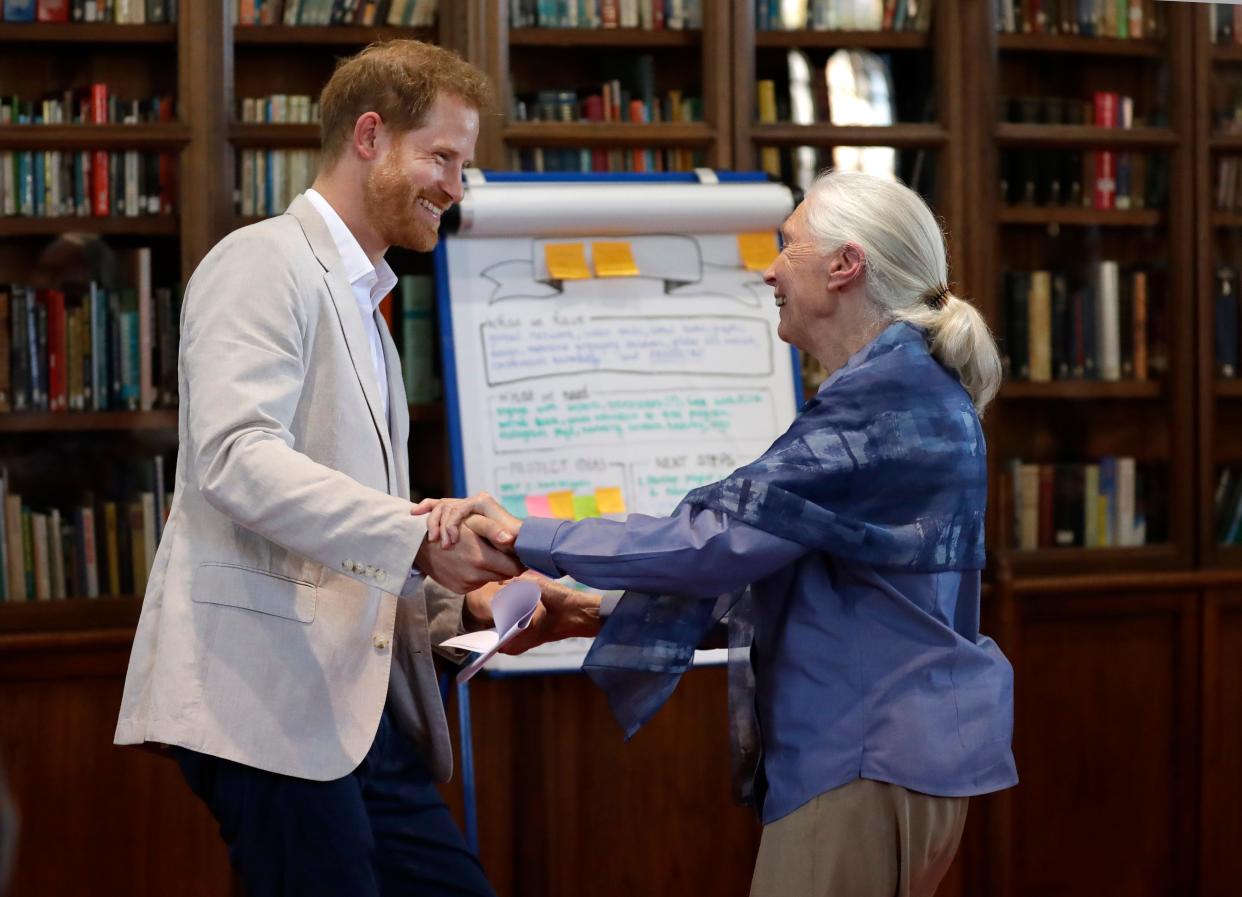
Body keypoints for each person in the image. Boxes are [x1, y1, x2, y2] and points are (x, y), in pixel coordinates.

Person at [417, 170, 1018, 897]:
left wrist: (524, 533)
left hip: (863, 755)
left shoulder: (884, 403)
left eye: (787, 244)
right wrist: (585, 611)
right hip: (894, 751)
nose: (767, 267)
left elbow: (712, 541)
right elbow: (789, 581)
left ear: (845, 265)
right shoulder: (907, 389)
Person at [113, 40, 527, 897]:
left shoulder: (363, 296)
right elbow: (235, 458)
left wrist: (464, 598)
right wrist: (419, 539)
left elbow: (340, 513)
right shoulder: (261, 261)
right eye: (443, 157)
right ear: (370, 135)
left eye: (463, 164)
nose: (456, 186)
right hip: (267, 703)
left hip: (353, 708)